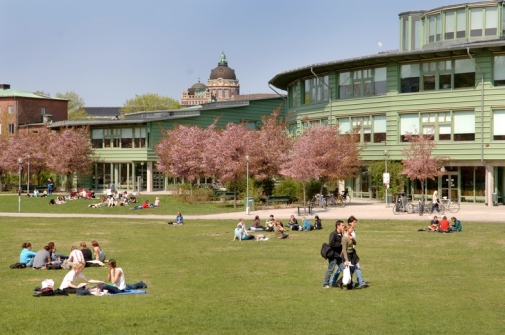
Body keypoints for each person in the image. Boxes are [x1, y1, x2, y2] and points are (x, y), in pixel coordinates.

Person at [348, 215, 368, 289]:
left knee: (356, 267)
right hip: (348, 253)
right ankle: (334, 281)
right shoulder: (347, 232)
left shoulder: (353, 231)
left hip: (352, 252)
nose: (355, 224)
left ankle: (360, 282)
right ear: (350, 223)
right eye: (354, 222)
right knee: (342, 268)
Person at [323, 220, 344, 288]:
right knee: (331, 269)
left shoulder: (341, 234)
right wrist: (340, 244)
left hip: (339, 256)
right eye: (342, 225)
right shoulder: (333, 234)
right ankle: (325, 283)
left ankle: (345, 282)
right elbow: (331, 244)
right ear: (338, 226)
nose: (343, 226)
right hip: (333, 255)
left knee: (344, 269)